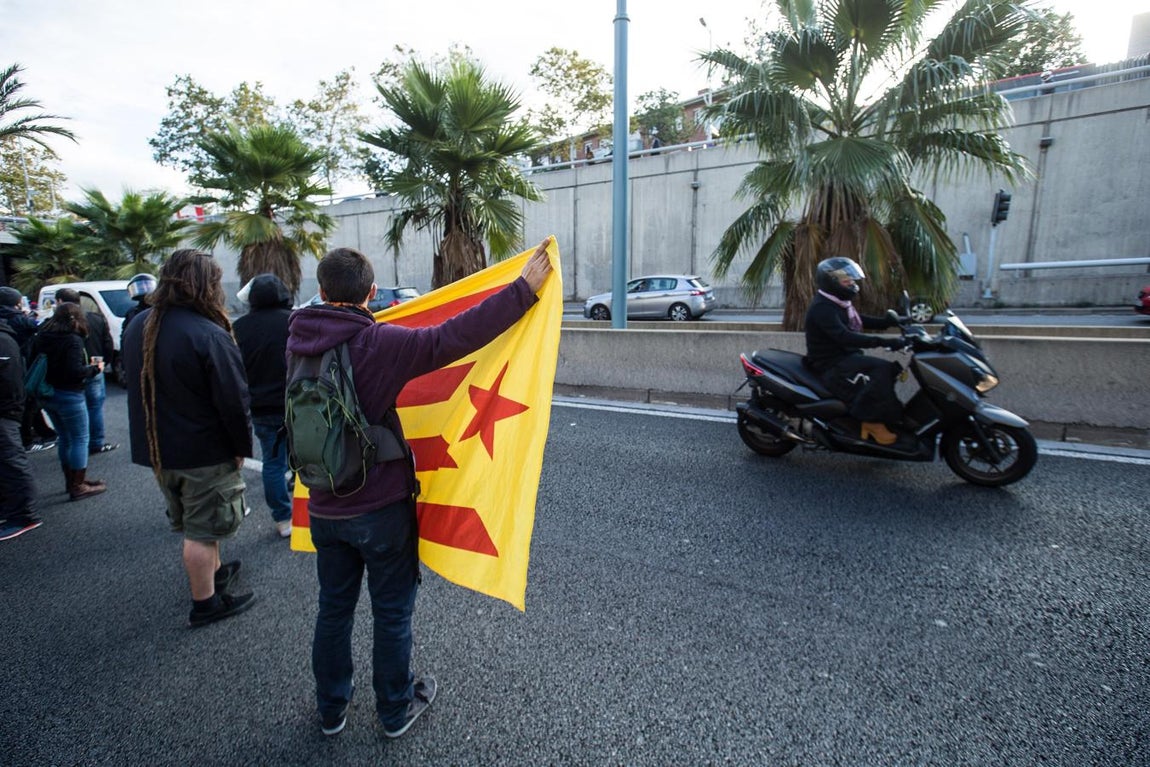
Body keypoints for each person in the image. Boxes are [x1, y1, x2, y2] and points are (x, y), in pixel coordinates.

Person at [287, 238, 553, 739]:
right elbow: (449, 338)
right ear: (371, 292)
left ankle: (331, 710)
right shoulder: (378, 344)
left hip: (323, 504)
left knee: (333, 608)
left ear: (320, 291)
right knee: (391, 613)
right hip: (378, 508)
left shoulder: (296, 341)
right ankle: (393, 710)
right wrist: (522, 291)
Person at [122, 250, 256, 628]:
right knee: (200, 530)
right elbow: (234, 400)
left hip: (160, 450)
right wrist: (238, 447)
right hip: (203, 451)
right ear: (204, 285)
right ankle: (206, 603)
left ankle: (215, 574)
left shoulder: (140, 325)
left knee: (197, 523)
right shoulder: (207, 332)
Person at [803, 256, 908, 446]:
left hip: (845, 357)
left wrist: (889, 322)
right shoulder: (822, 308)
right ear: (831, 282)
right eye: (846, 280)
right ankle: (871, 423)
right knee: (882, 369)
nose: (851, 283)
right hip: (830, 364)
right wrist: (886, 342)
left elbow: (860, 319)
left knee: (884, 370)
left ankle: (884, 418)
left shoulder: (837, 303)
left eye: (851, 279)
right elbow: (845, 336)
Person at [233, 273, 293, 539]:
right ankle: (313, 514)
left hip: (260, 406)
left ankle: (283, 518)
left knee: (272, 463)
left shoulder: (240, 326)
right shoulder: (292, 321)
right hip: (297, 403)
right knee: (311, 459)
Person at [29, 302, 107, 500]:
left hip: (48, 393)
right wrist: (94, 369)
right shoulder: (72, 340)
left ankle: (71, 481)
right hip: (69, 394)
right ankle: (78, 484)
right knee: (80, 438)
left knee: (64, 438)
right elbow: (73, 371)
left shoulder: (43, 336)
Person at [54, 288, 118, 456]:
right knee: (95, 407)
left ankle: (77, 444)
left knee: (77, 411)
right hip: (95, 367)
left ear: (60, 301)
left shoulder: (56, 323)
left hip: (69, 376)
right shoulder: (96, 319)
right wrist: (103, 363)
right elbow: (108, 344)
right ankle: (95, 442)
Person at [0, 314, 41, 540]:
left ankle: (24, 515)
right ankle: (13, 510)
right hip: (10, 409)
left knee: (12, 462)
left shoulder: (3, 340)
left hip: (6, 412)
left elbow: (8, 384)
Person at [0, 287, 56, 452]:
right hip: (23, 363)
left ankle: (43, 432)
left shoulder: (7, 317)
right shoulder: (18, 319)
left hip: (10, 364)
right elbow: (38, 327)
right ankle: (27, 440)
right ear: (16, 303)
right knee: (27, 402)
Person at [119, 272, 157, 349]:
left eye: (147, 286)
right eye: (141, 287)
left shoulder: (161, 310)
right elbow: (125, 337)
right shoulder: (132, 313)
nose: (144, 288)